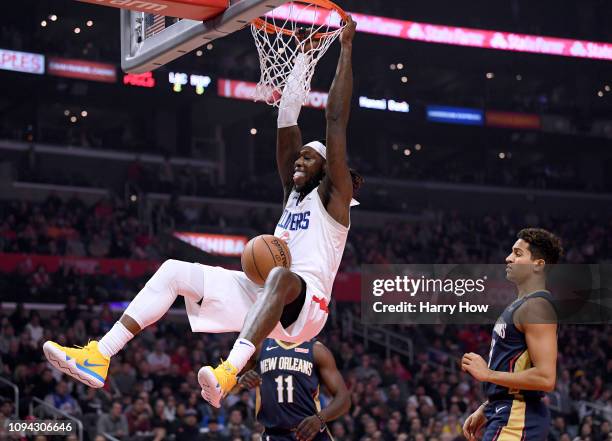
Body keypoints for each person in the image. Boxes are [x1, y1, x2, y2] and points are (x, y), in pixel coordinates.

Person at [42, 16, 360, 411]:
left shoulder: (334, 202)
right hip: (269, 297)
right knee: (175, 271)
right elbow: (286, 119)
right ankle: (99, 355)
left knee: (279, 275)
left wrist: (344, 48)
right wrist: (302, 63)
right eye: (299, 157)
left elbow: (335, 121)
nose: (298, 161)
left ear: (327, 170)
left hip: (309, 304)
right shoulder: (291, 195)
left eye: (308, 159)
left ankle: (228, 370)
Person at [462, 228, 562, 441]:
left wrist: (487, 375)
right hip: (507, 411)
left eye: (518, 254)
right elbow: (512, 366)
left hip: (518, 416)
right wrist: (488, 405)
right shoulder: (520, 305)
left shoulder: (537, 307)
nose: (508, 258)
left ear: (538, 264)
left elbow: (546, 377)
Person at [237, 338, 350, 441]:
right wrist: (239, 380)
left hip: (310, 432)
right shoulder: (261, 346)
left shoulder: (317, 350)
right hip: (274, 434)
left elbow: (344, 399)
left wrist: (320, 418)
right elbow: (226, 386)